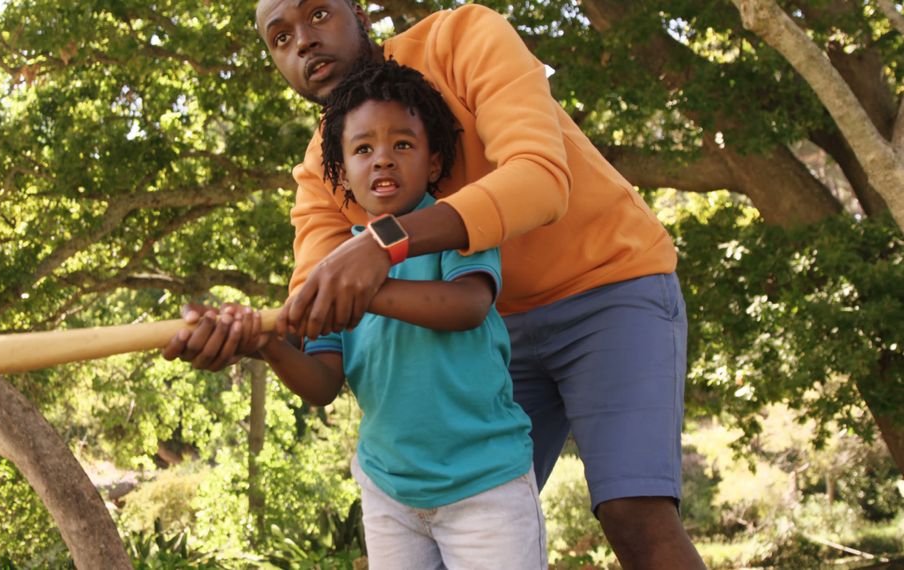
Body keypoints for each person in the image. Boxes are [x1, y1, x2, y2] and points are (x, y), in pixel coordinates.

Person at [165, 1, 706, 567]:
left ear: (361, 16)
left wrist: (383, 244)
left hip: (607, 288)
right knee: (462, 521)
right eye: (280, 38)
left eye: (318, 14)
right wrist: (245, 337)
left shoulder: (462, 38)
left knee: (633, 514)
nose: (302, 42)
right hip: (490, 334)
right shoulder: (325, 173)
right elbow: (314, 312)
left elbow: (540, 178)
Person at [230, 59, 546, 568]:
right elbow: (322, 384)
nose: (382, 160)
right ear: (342, 173)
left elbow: (468, 306)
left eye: (402, 144)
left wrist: (365, 288)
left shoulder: (455, 228)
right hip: (389, 493)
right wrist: (264, 345)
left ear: (435, 161)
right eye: (362, 149)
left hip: (485, 487)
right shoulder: (332, 269)